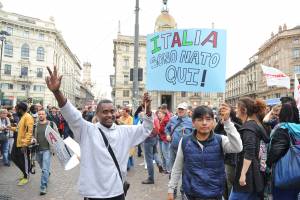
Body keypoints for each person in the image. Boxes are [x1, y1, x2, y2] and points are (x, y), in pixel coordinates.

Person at [45, 66, 154, 200]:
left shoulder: (125, 131)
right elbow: (71, 114)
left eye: (112, 111)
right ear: (97, 114)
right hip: (93, 193)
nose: (109, 115)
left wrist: (148, 111)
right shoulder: (87, 130)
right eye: (105, 112)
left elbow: (146, 129)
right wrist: (57, 92)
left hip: (117, 192)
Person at [167, 104, 243, 200]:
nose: (204, 123)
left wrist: (227, 122)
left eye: (208, 119)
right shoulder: (185, 141)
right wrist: (171, 189)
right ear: (193, 123)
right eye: (199, 119)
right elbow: (177, 168)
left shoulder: (220, 140)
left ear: (213, 122)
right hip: (191, 195)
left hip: (215, 195)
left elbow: (238, 147)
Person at [229, 97, 270, 200]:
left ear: (244, 110)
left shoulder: (249, 127)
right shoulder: (255, 125)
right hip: (255, 174)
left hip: (248, 175)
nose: (235, 110)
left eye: (237, 108)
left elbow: (249, 152)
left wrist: (242, 174)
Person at [267, 103, 300, 200]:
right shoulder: (297, 128)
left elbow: (275, 152)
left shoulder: (282, 129)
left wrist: (268, 165)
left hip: (284, 174)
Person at [165, 102, 193, 197]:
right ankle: (173, 190)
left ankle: (183, 191)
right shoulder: (172, 119)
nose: (180, 111)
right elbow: (167, 128)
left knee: (185, 171)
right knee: (173, 170)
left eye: (182, 109)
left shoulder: (191, 121)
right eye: (179, 109)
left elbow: (196, 134)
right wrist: (168, 135)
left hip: (186, 151)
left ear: (186, 111)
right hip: (173, 149)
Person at [32, 109, 59, 195]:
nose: (41, 115)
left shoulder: (51, 124)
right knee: (42, 165)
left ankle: (43, 186)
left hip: (47, 149)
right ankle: (47, 172)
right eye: (39, 114)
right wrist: (33, 139)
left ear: (45, 115)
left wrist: (55, 147)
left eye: (42, 114)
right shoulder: (35, 125)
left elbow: (56, 135)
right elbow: (33, 136)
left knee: (44, 168)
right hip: (38, 149)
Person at [10, 102, 34, 186]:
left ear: (20, 109)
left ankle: (26, 176)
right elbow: (19, 129)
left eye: (16, 109)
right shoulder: (23, 117)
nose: (15, 110)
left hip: (23, 144)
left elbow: (29, 132)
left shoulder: (28, 117)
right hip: (18, 142)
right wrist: (10, 128)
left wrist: (25, 144)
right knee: (13, 157)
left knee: (24, 160)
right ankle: (25, 172)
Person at [142, 111, 163, 184]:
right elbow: (159, 127)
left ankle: (151, 178)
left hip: (148, 139)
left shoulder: (148, 119)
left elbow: (143, 129)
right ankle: (159, 163)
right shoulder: (156, 118)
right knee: (155, 152)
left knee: (149, 159)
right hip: (155, 137)